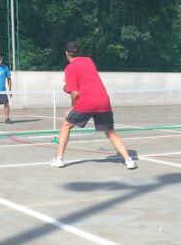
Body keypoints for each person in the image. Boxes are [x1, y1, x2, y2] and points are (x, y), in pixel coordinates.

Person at [50, 41, 136, 169]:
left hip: (87, 102)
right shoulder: (89, 61)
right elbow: (83, 81)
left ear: (66, 54)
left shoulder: (69, 68)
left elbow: (75, 93)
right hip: (103, 100)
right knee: (110, 132)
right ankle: (129, 160)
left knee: (66, 125)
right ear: (79, 52)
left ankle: (59, 159)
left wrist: (72, 108)